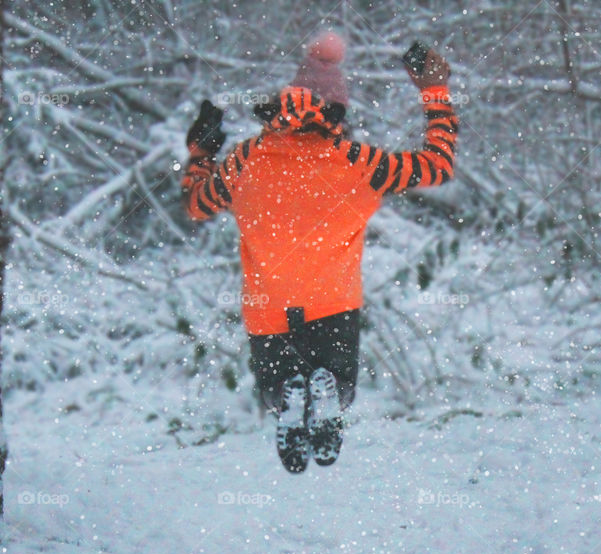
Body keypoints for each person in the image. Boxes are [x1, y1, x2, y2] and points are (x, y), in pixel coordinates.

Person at [180, 32, 459, 473]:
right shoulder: (359, 163)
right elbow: (438, 164)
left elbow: (196, 203)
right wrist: (434, 91)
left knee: (276, 387)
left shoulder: (244, 161)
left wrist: (201, 151)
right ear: (336, 112)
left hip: (268, 309)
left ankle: (285, 396)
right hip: (333, 304)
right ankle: (331, 395)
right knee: (339, 384)